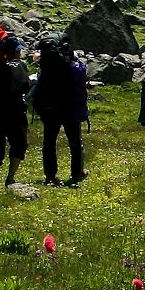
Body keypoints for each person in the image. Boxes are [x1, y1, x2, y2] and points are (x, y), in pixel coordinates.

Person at [32, 34, 89, 185]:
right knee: (75, 141)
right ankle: (77, 172)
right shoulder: (68, 60)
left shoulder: (45, 64)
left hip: (49, 107)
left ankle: (50, 175)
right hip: (69, 106)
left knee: (49, 141)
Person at [0, 35, 30, 192]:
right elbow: (25, 87)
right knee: (19, 143)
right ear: (15, 52)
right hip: (15, 111)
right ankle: (10, 178)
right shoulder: (19, 66)